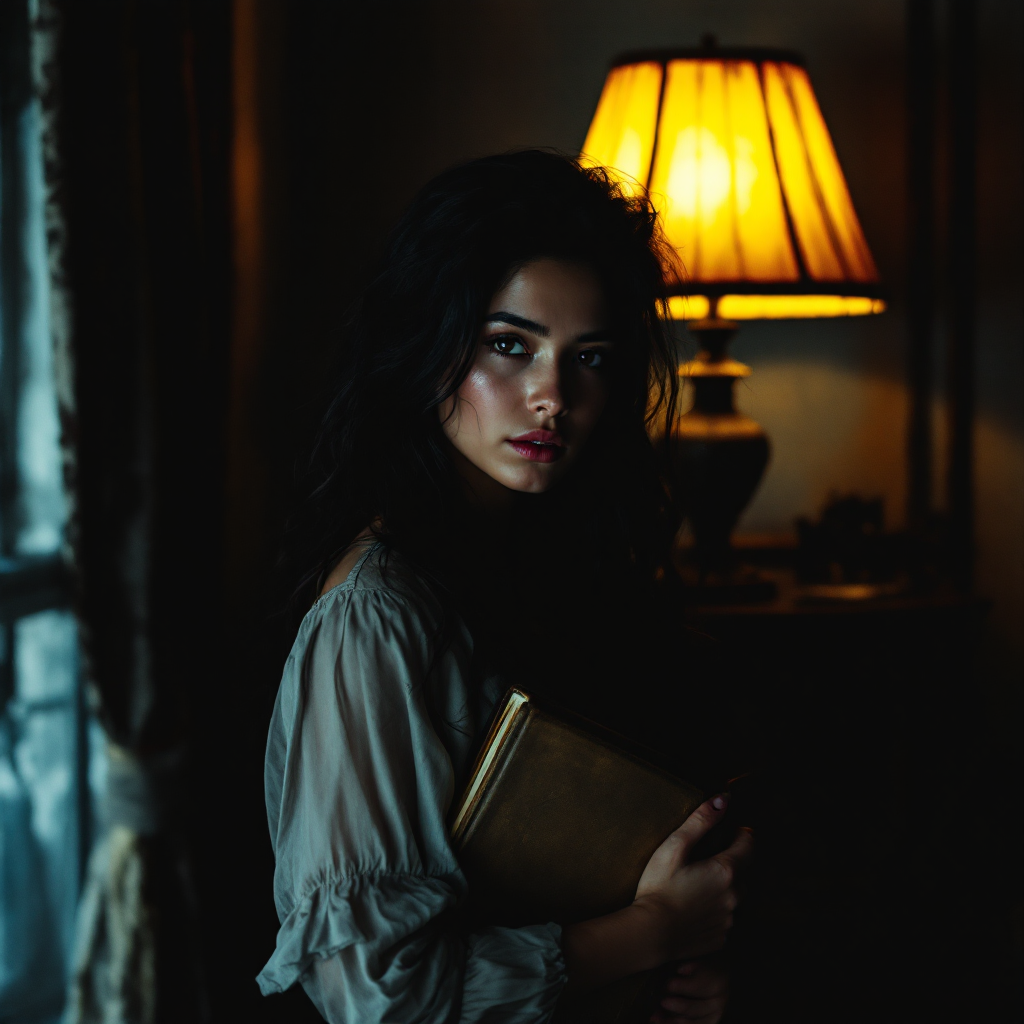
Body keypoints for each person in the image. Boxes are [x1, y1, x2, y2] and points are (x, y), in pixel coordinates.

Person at [257, 150, 752, 1023]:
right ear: (428, 345)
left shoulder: (554, 561)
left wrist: (683, 975)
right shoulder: (377, 618)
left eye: (588, 358)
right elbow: (380, 996)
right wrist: (654, 933)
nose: (552, 395)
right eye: (510, 346)